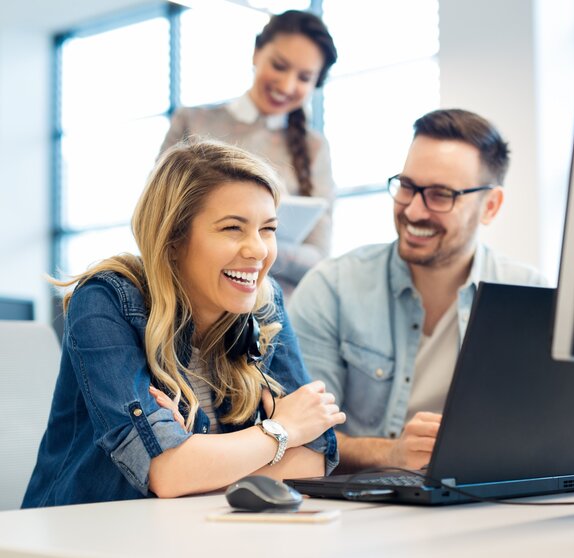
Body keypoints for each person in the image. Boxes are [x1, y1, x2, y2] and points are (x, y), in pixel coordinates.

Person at [22, 139, 345, 508]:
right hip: (78, 534)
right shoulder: (105, 300)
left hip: (195, 533)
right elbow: (168, 473)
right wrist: (280, 430)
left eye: (267, 229)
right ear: (173, 238)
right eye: (232, 228)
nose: (258, 249)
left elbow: (313, 460)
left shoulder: (263, 305)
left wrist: (197, 457)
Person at [288, 108, 547, 474]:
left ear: (490, 206)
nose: (413, 209)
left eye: (440, 195)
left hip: (486, 506)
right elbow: (301, 435)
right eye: (407, 186)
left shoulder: (531, 298)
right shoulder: (331, 288)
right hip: (362, 514)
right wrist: (391, 453)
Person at [159, 9, 337, 297]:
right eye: (279, 66)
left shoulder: (314, 149)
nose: (287, 85)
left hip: (274, 312)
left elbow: (318, 258)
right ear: (256, 53)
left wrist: (247, 242)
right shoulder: (192, 123)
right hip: (191, 300)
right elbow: (158, 220)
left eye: (304, 78)